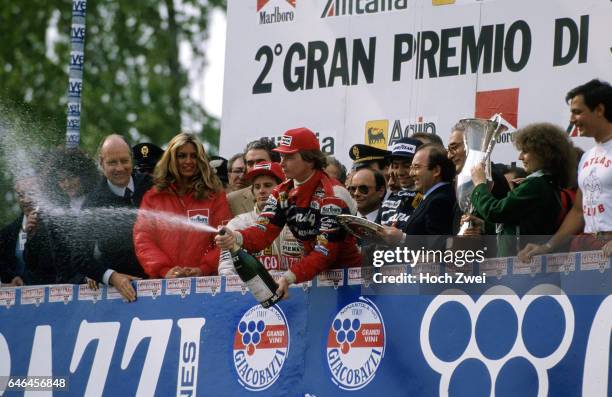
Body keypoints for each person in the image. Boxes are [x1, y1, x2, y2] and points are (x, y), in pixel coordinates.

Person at [216, 127, 361, 299]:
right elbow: (263, 231)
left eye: (289, 157)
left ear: (310, 159)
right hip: (314, 280)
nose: (282, 162)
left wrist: (289, 276)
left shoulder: (334, 194)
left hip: (349, 279)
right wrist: (236, 237)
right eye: (282, 156)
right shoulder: (282, 191)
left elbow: (325, 252)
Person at [520, 79, 612, 260]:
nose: (572, 120)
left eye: (577, 112)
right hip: (589, 246)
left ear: (600, 110)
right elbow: (579, 211)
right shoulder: (587, 157)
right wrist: (548, 246)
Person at [134, 132, 232, 279]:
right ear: (171, 159)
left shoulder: (214, 196)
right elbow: (143, 239)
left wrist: (203, 269)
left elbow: (225, 239)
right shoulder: (153, 197)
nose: (188, 161)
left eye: (194, 156)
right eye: (182, 156)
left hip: (205, 283)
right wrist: (164, 270)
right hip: (162, 283)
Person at [471, 123, 576, 256]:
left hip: (522, 265)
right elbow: (515, 228)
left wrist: (480, 184)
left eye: (525, 151)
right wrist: (484, 225)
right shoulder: (546, 183)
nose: (520, 157)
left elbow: (496, 211)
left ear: (544, 153)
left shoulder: (537, 184)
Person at [73, 134, 151, 302]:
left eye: (124, 160)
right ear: (101, 163)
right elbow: (79, 256)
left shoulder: (151, 186)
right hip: (119, 296)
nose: (120, 168)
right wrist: (111, 277)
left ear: (132, 159)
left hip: (160, 283)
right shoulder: (93, 204)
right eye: (112, 162)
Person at [218, 162, 302, 275]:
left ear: (281, 188)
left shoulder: (298, 218)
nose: (261, 191)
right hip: (253, 290)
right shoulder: (238, 223)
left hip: (296, 287)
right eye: (257, 187)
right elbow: (226, 269)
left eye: (267, 185)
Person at [378, 144, 457, 250]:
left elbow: (439, 246)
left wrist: (402, 238)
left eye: (416, 167)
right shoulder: (430, 197)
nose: (411, 173)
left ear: (436, 171)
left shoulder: (440, 200)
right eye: (411, 167)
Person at [0, 175, 56, 286]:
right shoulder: (7, 233)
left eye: (31, 194)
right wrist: (11, 279)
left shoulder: (54, 226)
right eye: (21, 195)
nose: (25, 200)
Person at [376, 137, 423, 229]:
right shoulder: (390, 200)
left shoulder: (427, 197)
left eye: (407, 165)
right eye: (396, 166)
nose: (400, 172)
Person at [227, 138, 280, 216]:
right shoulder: (232, 200)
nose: (255, 167)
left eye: (261, 162)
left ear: (276, 163)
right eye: (250, 163)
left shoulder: (293, 194)